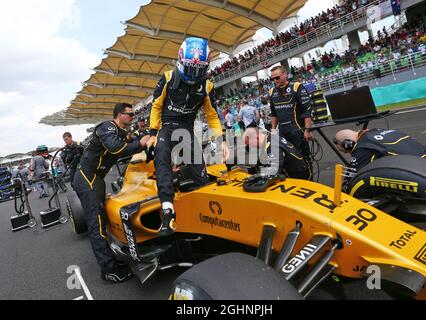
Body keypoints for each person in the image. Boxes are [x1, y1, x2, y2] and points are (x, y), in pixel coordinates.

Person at [147, 37, 229, 236]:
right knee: (162, 160)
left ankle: (209, 213)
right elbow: (156, 106)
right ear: (180, 61)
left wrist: (221, 139)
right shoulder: (167, 78)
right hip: (166, 128)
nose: (194, 73)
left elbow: (211, 115)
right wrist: (153, 133)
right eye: (190, 67)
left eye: (199, 69)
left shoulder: (207, 86)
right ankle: (167, 213)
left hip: (187, 130)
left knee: (199, 170)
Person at [73, 103, 151, 283]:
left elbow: (132, 142)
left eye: (133, 114)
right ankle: (108, 271)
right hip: (87, 177)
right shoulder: (106, 127)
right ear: (119, 115)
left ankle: (111, 258)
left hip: (96, 178)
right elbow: (117, 148)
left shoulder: (121, 132)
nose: (132, 117)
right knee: (96, 225)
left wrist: (146, 136)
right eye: (129, 114)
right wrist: (140, 142)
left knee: (103, 220)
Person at [333, 128, 426, 172]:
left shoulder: (363, 146)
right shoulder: (380, 131)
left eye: (346, 151)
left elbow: (352, 177)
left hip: (423, 174)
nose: (349, 153)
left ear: (348, 144)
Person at [269, 65, 314, 172]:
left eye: (277, 77)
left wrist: (307, 130)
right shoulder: (272, 92)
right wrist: (273, 131)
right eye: (272, 79)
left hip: (297, 131)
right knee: (288, 160)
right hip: (283, 132)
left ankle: (309, 181)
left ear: (285, 74)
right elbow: (274, 114)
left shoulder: (297, 87)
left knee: (304, 158)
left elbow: (306, 110)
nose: (275, 80)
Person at [243, 127, 312, 180]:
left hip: (299, 179)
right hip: (297, 171)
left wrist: (255, 177)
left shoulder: (272, 146)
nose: (250, 147)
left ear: (256, 138)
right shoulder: (269, 137)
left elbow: (274, 171)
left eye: (249, 144)